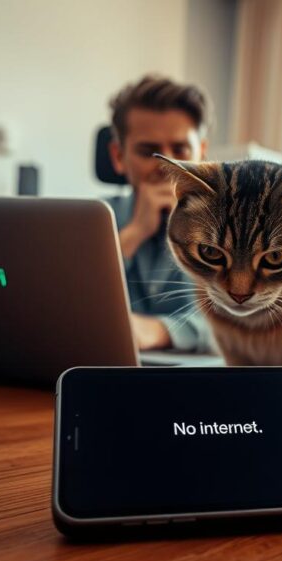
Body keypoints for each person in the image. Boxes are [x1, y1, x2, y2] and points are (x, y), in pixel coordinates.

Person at [105, 75, 213, 353]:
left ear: (201, 153)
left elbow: (256, 324)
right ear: (118, 157)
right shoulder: (95, 221)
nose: (166, 165)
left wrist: (161, 331)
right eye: (148, 151)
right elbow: (68, 305)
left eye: (180, 149)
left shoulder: (233, 228)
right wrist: (133, 234)